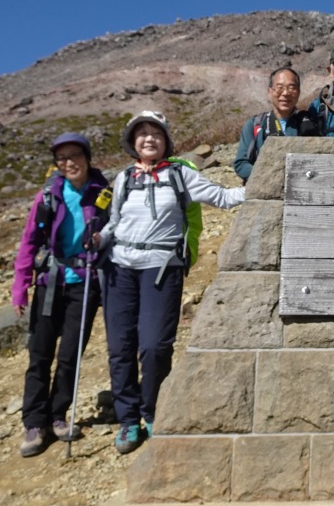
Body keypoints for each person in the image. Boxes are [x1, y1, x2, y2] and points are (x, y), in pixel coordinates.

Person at [93, 111, 246, 454]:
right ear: (132, 142)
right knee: (120, 347)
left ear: (166, 141)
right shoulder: (123, 178)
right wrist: (99, 239)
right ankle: (128, 419)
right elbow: (113, 223)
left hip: (161, 268)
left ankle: (154, 411)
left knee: (155, 346)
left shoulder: (180, 174)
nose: (149, 139)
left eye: (156, 133)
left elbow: (222, 197)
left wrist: (261, 190)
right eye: (142, 133)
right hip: (119, 269)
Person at [12, 133, 110, 457]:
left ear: (87, 157)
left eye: (75, 155)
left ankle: (57, 415)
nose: (70, 162)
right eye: (62, 158)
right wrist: (20, 287)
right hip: (49, 282)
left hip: (85, 283)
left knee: (70, 355)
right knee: (40, 354)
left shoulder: (103, 193)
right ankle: (34, 422)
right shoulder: (48, 196)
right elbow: (29, 242)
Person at [233, 67, 317, 181]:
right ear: (270, 92)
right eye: (279, 88)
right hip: (264, 186)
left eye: (291, 88)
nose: (286, 93)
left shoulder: (310, 122)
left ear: (298, 92)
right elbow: (241, 164)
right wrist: (269, 177)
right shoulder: (255, 124)